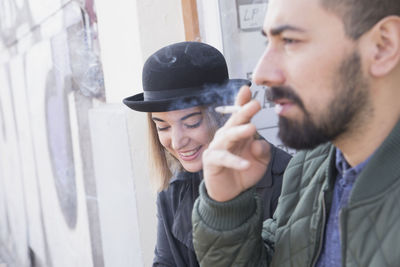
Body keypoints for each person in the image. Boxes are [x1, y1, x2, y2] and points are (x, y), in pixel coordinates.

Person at [192, 0, 400, 266]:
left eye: (289, 41)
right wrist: (227, 208)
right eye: (268, 42)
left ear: (383, 47)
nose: (260, 74)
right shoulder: (306, 169)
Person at [123, 41, 291, 267]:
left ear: (224, 114)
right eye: (162, 127)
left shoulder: (289, 181)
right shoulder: (172, 192)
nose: (177, 141)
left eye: (191, 123)